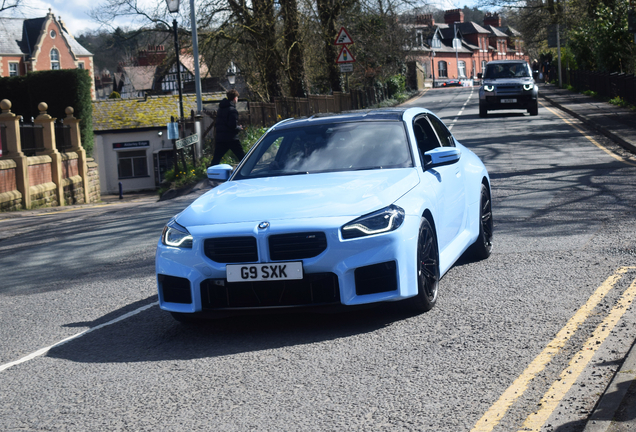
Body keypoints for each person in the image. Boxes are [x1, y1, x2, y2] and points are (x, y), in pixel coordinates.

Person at [211, 89, 245, 165]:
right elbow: (232, 125)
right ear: (235, 98)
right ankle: (248, 171)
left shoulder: (220, 109)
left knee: (216, 159)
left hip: (221, 138)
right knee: (242, 157)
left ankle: (211, 172)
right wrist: (239, 128)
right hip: (231, 138)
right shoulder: (232, 110)